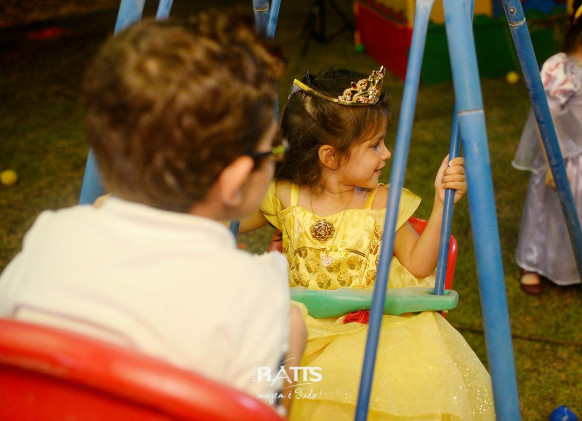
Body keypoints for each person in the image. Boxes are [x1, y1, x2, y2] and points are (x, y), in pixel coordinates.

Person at [0, 11, 306, 414]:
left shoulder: (49, 239)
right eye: (273, 149)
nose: (277, 158)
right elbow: (261, 410)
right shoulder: (256, 292)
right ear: (235, 179)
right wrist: (291, 349)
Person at [241, 67, 495, 420]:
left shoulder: (382, 203)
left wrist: (442, 203)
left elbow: (419, 263)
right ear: (330, 156)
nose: (386, 153)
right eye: (375, 145)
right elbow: (229, 221)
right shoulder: (285, 196)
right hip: (300, 329)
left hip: (371, 330)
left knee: (376, 386)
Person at [512, 0, 582, 295]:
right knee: (551, 213)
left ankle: (573, 265)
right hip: (563, 155)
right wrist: (553, 163)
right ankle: (534, 263)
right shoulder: (561, 69)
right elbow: (545, 117)